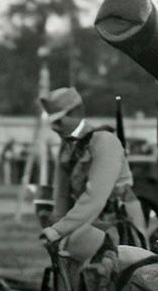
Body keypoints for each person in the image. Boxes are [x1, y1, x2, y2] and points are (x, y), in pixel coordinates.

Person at [37, 87, 148, 248]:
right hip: (87, 223)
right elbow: (61, 195)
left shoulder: (104, 141)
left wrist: (58, 230)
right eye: (51, 122)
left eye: (58, 121)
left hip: (119, 223)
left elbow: (95, 198)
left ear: (76, 113)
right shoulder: (67, 146)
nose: (54, 128)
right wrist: (56, 228)